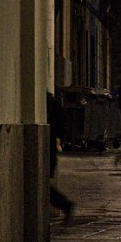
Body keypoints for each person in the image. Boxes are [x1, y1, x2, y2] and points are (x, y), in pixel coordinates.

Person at [46, 91, 75, 224]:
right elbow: (62, 125)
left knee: (42, 185)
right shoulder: (53, 102)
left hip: (48, 145)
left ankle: (64, 204)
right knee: (43, 184)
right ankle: (64, 205)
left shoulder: (47, 104)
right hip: (51, 145)